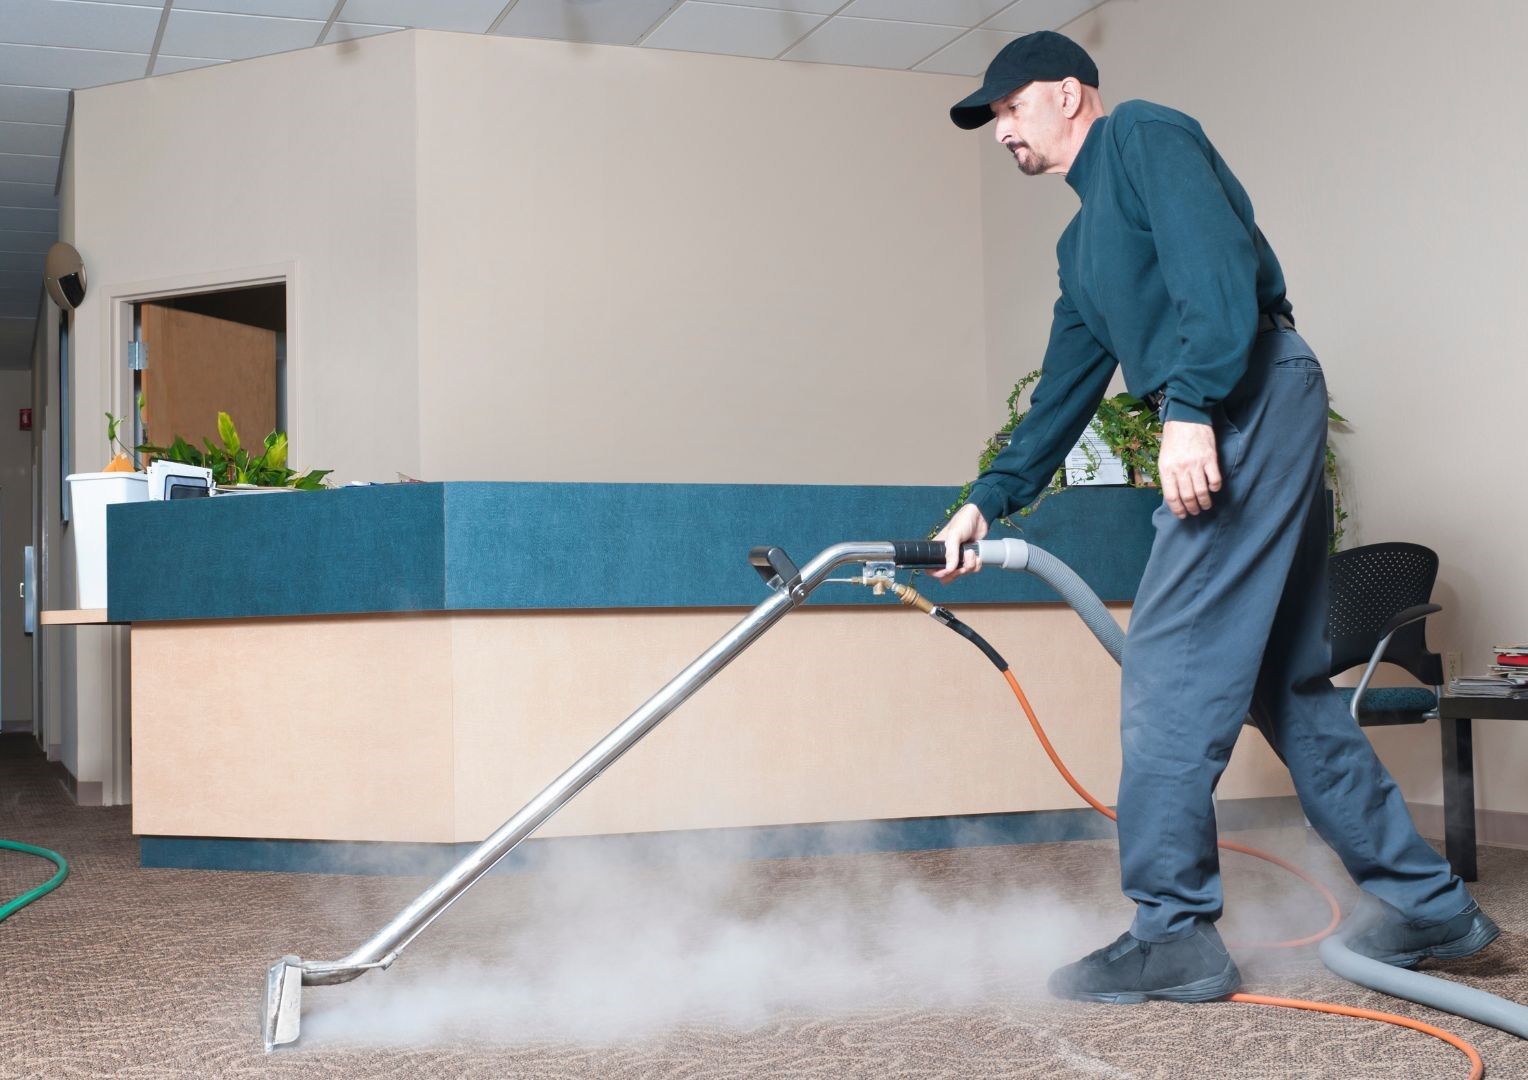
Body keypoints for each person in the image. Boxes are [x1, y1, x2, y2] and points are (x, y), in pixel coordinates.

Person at [933, 31, 1498, 1004]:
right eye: (991, 119)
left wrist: (1189, 408)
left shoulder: (1144, 138)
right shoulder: (1081, 248)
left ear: (1069, 95)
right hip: (1242, 404)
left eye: (1010, 107)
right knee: (1285, 685)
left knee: (1165, 664)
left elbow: (1215, 271)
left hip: (1246, 393)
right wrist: (986, 502)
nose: (1000, 131)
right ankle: (1425, 903)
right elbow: (1061, 399)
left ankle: (1172, 935)